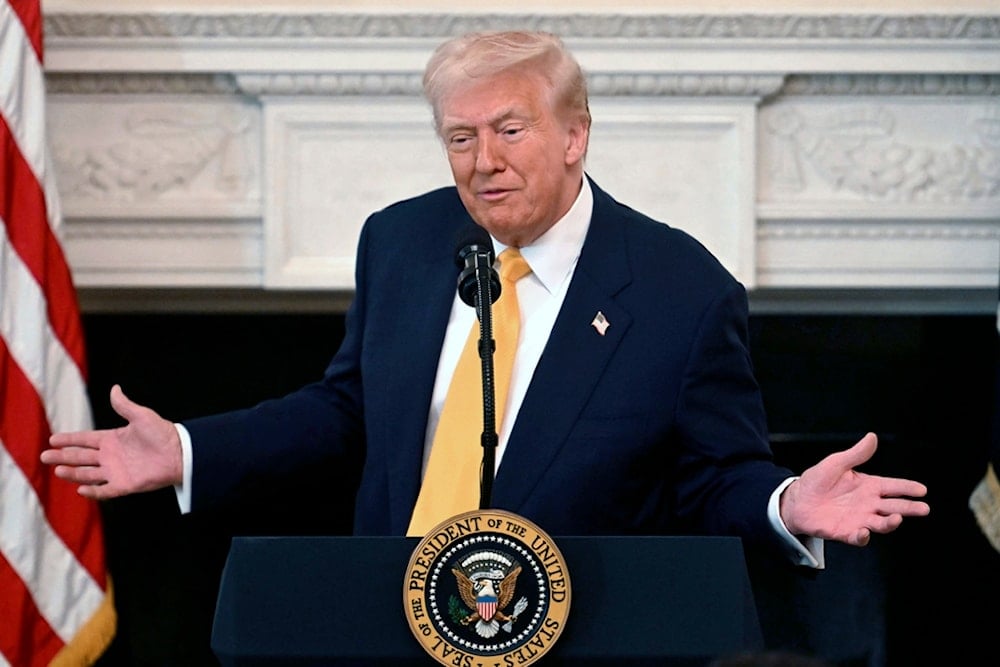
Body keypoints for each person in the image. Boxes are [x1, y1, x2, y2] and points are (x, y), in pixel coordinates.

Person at [42, 30, 929, 569]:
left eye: (510, 129)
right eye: (459, 136)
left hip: (580, 633)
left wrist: (784, 504)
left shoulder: (679, 289)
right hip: (393, 618)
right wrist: (195, 449)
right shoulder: (405, 241)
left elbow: (714, 473)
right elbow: (351, 408)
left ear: (575, 135)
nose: (482, 160)